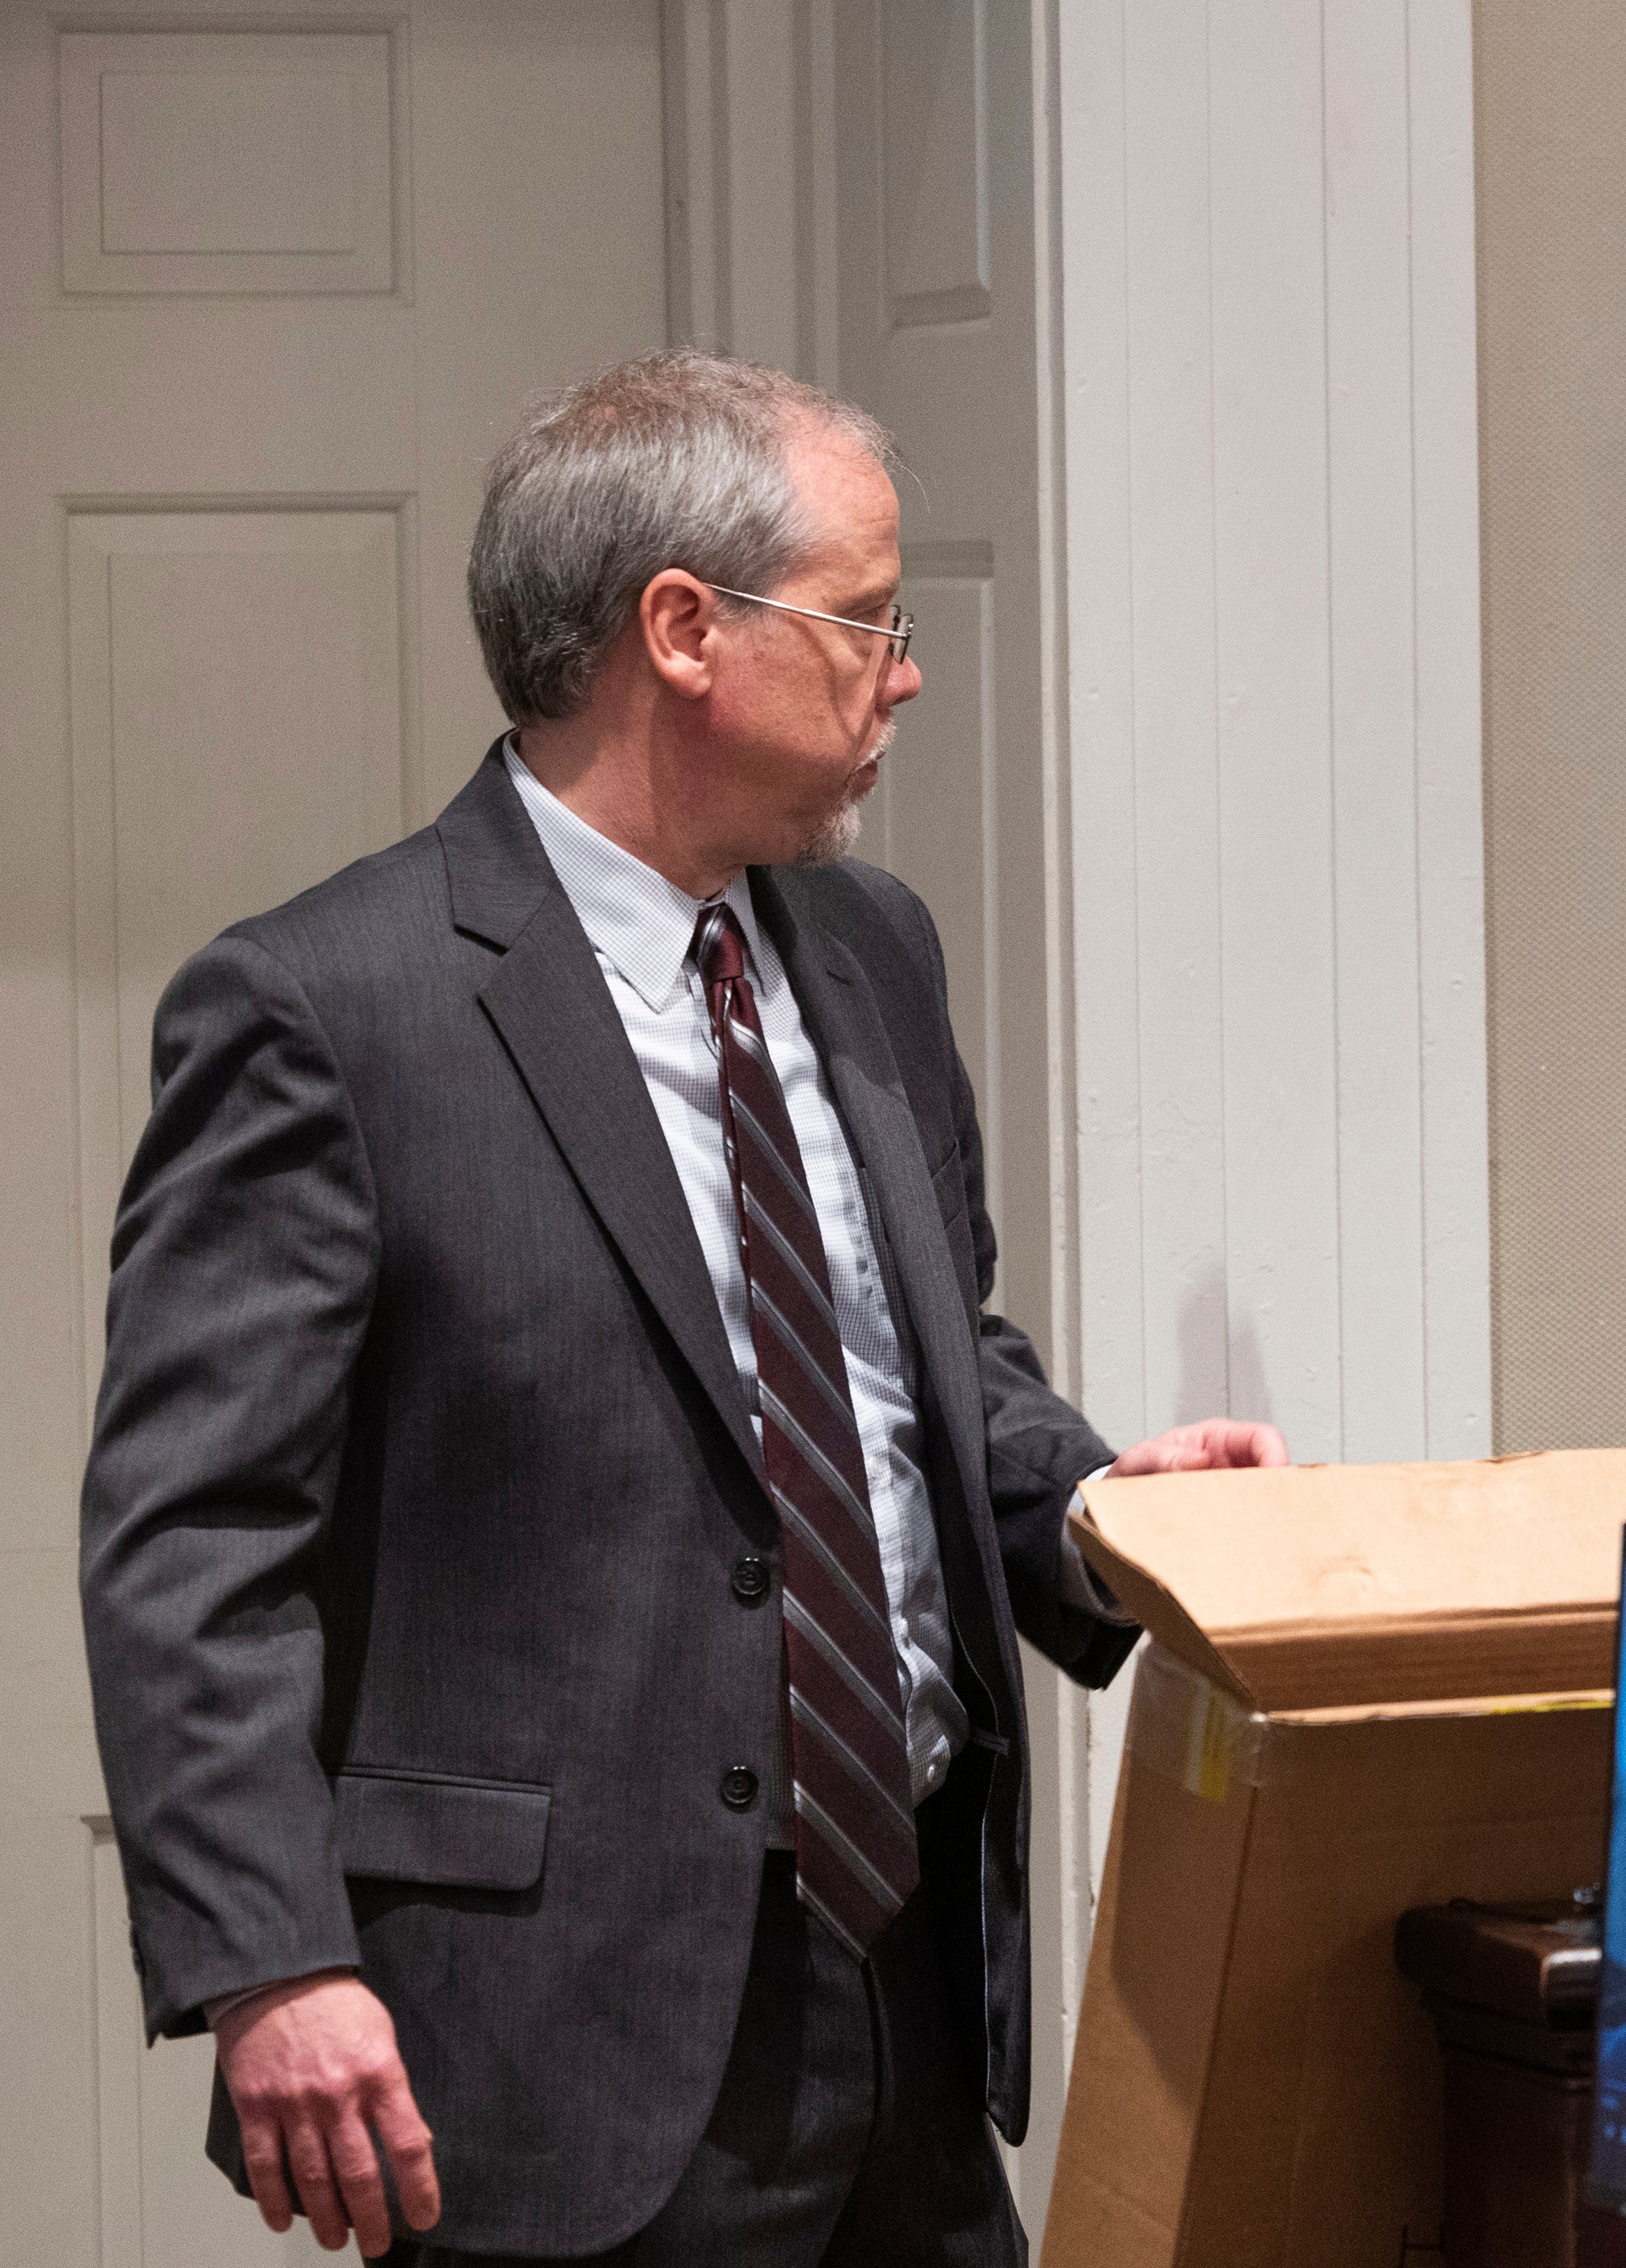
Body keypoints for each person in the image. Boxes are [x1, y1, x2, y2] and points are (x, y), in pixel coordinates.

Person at [79, 351, 1272, 2263]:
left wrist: (1093, 1507)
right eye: (867, 621)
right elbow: (193, 1543)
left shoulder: (874, 945)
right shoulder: (330, 1009)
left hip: (909, 2003)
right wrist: (267, 1962)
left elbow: (922, 1363)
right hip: (556, 2050)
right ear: (683, 631)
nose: (902, 672)